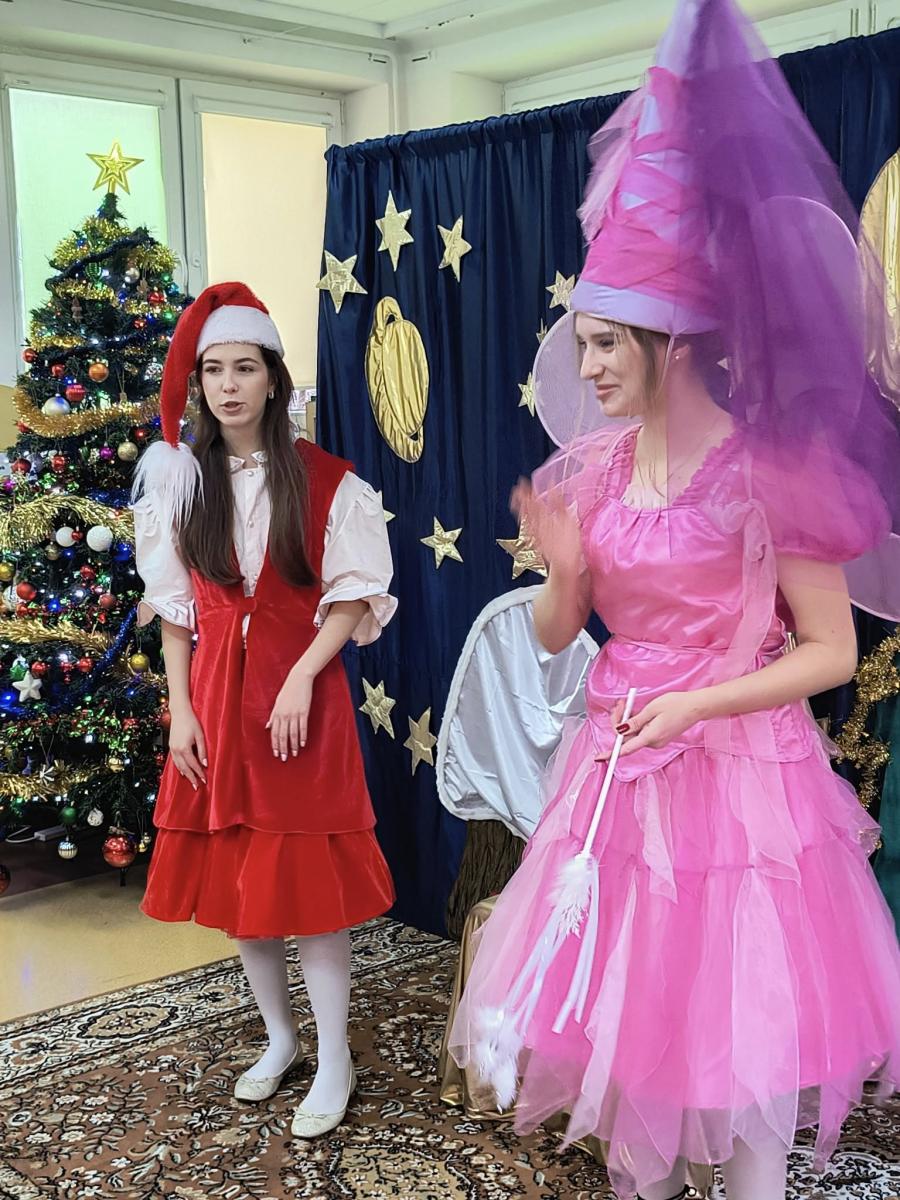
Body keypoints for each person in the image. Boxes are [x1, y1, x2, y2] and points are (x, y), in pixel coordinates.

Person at [448, 1, 900, 1196]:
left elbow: (830, 652)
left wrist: (699, 705)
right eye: (585, 342)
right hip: (615, 777)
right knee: (634, 1027)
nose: (588, 366)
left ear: (677, 342)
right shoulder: (592, 473)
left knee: (741, 1034)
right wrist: (561, 575)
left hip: (741, 782)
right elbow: (559, 637)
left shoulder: (769, 476)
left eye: (609, 343)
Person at [132, 282, 396, 1139]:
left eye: (245, 368)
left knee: (306, 887)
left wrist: (301, 677)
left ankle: (334, 1055)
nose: (228, 385)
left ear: (274, 379)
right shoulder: (182, 484)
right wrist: (181, 711)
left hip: (299, 705)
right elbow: (177, 615)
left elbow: (352, 599)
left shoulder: (328, 482)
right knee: (242, 879)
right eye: (213, 370)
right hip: (215, 702)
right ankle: (280, 1038)